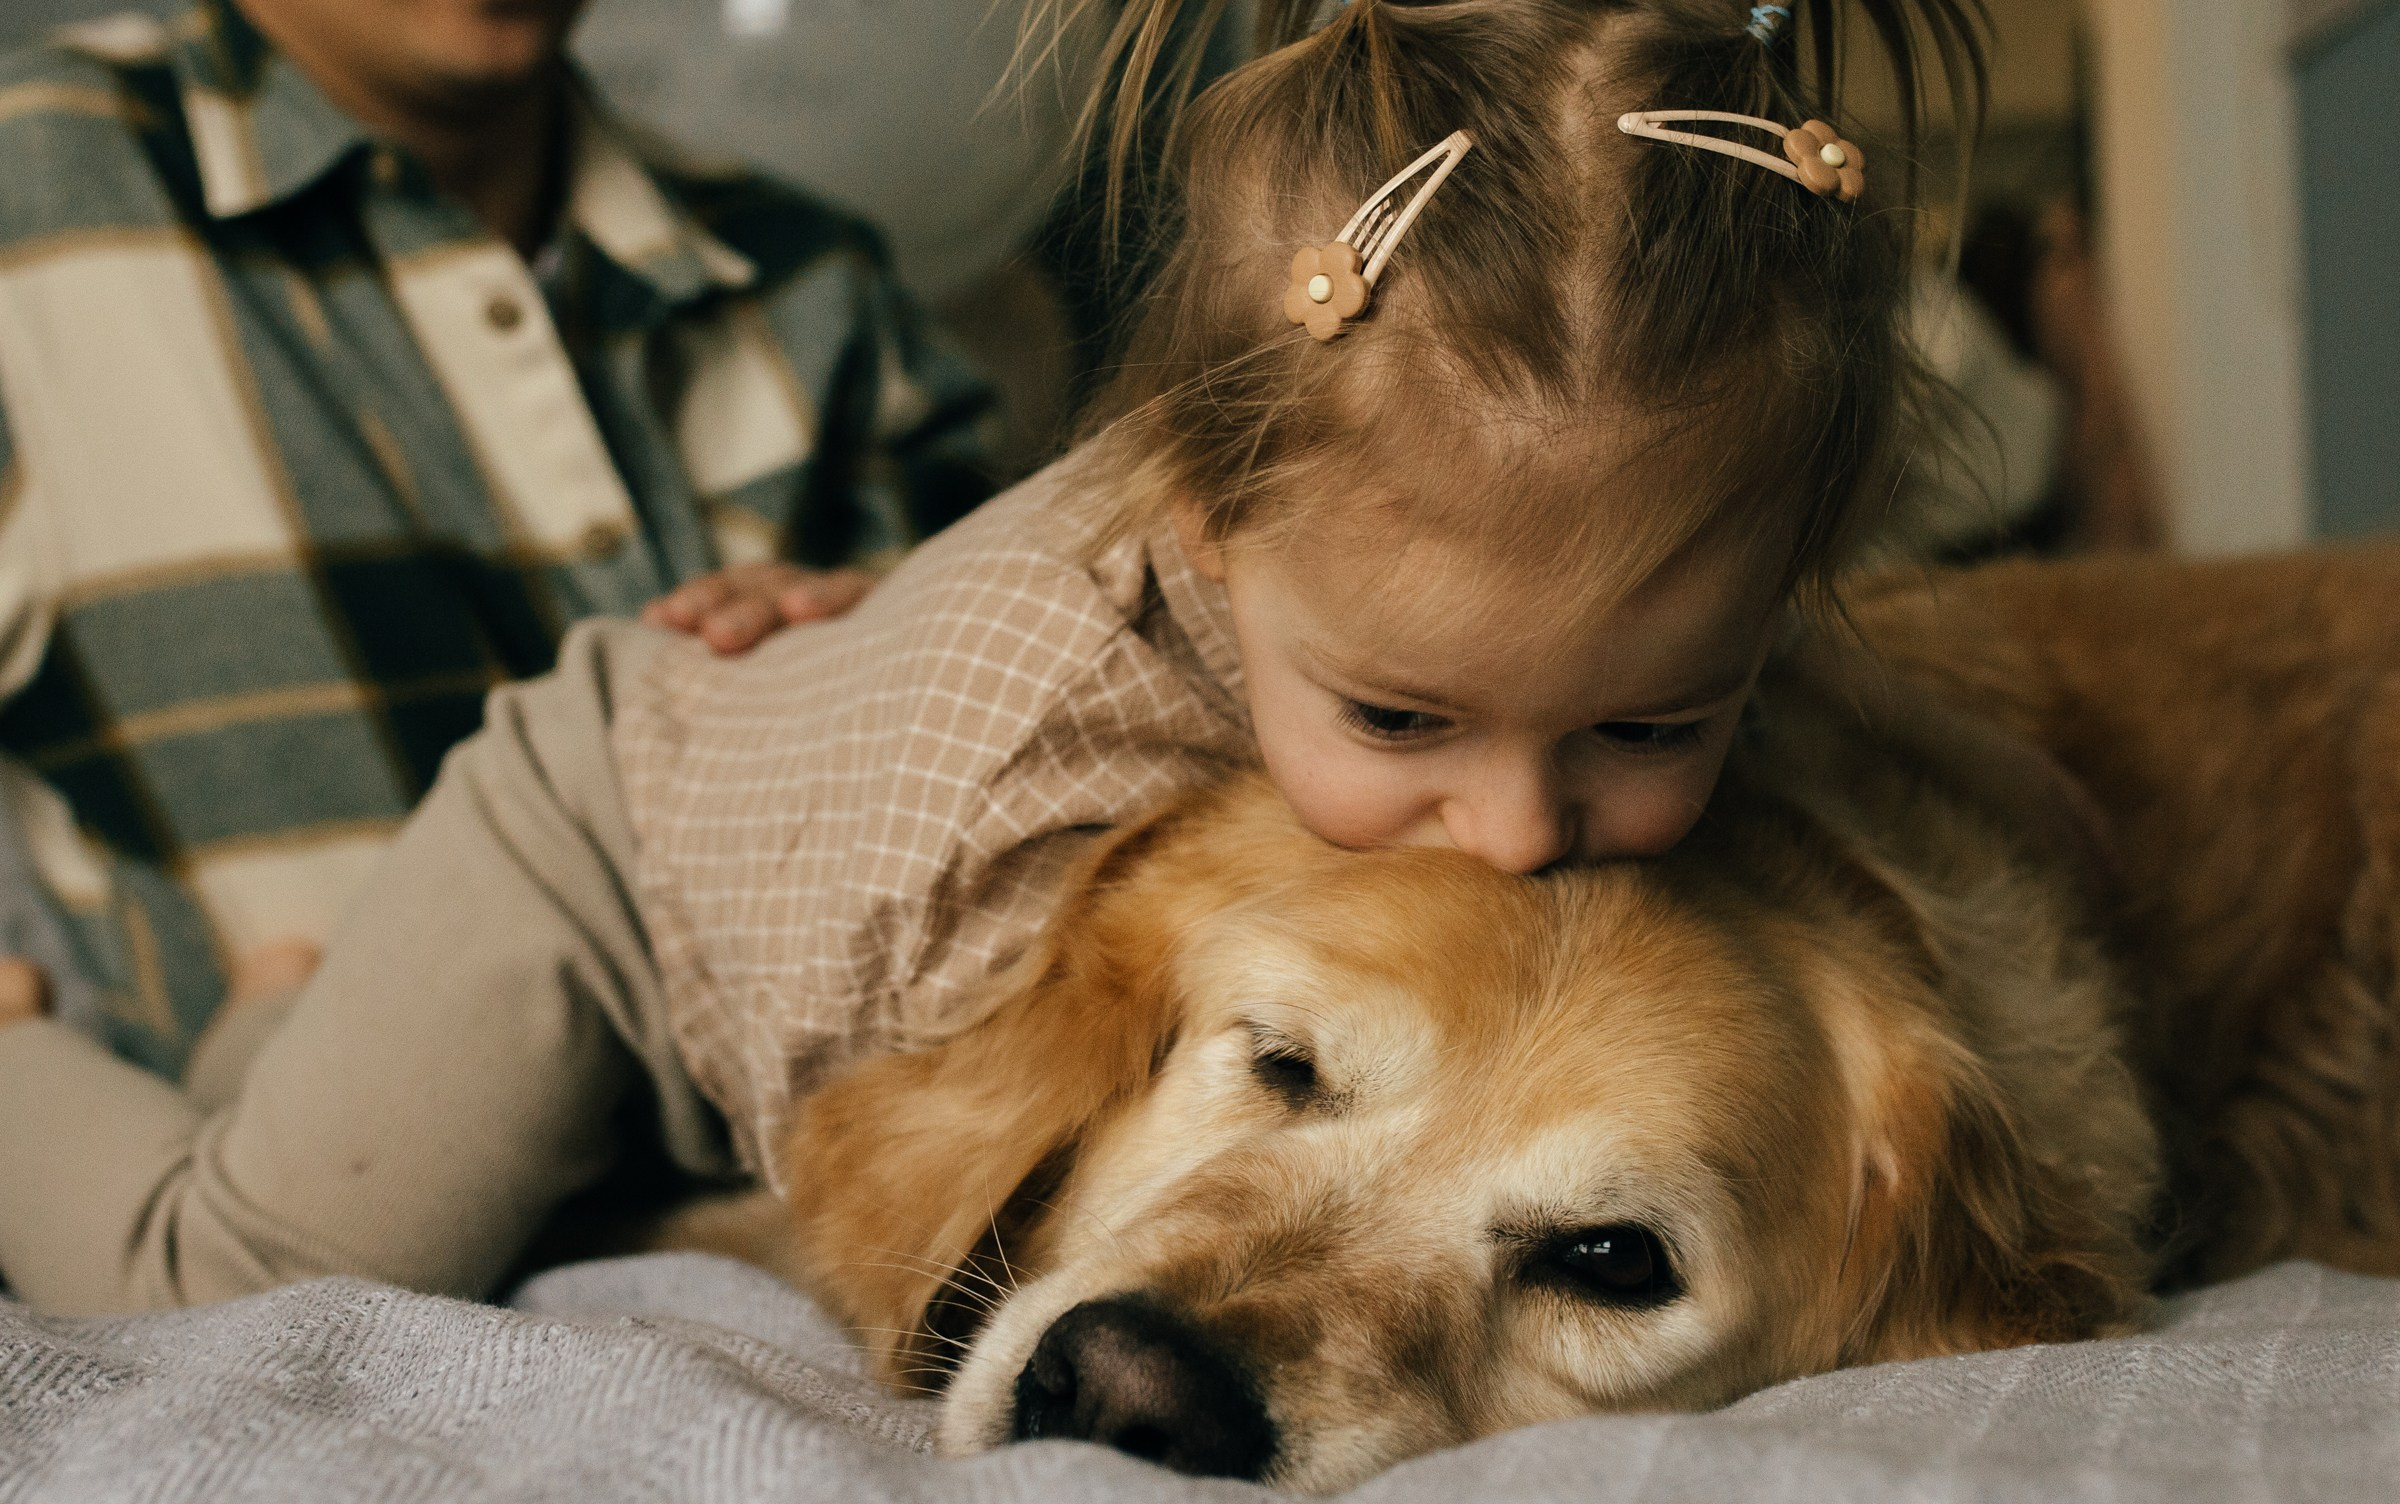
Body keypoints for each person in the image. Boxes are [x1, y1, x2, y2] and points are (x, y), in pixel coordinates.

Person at [0, 0, 1996, 1313]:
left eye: (1647, 722)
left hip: (773, 819)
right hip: (594, 873)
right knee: (251, 1272)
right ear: (1205, 534)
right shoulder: (997, 816)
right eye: (1405, 719)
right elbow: (908, 1173)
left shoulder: (836, 285)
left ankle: (290, 1015)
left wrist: (865, 609)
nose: (1514, 827)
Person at [0, 0, 992, 1079]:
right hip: (282, 1182)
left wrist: (902, 655)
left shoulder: (813, 278)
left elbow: (1053, 824)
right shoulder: (39, 187)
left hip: (811, 1166)